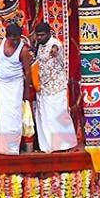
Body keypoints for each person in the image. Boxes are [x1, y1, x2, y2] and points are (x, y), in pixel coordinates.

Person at [32, 21, 77, 152]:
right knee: (46, 118)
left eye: (41, 35)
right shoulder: (40, 46)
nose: (39, 38)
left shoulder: (55, 43)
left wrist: (55, 50)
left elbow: (56, 48)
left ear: (49, 34)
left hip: (56, 87)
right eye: (37, 35)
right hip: (44, 88)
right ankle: (50, 146)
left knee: (59, 116)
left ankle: (66, 145)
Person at [0, 23, 29, 155]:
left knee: (13, 117)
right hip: (0, 85)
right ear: (6, 36)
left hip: (15, 86)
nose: (15, 41)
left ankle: (11, 149)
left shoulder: (23, 50)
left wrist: (26, 92)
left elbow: (27, 72)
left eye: (18, 38)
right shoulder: (0, 43)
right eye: (12, 38)